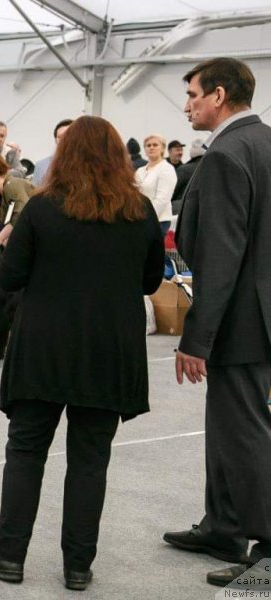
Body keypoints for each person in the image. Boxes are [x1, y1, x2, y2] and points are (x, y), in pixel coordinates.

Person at [0, 116, 165, 591]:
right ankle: (78, 566)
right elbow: (150, 282)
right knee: (90, 460)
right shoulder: (140, 211)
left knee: (25, 452)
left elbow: (10, 278)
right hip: (109, 351)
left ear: (66, 156)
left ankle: (9, 556)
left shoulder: (41, 209)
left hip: (44, 347)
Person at [164, 57, 271, 588]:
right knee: (231, 431)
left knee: (246, 434)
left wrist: (196, 339)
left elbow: (223, 256)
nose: (187, 105)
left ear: (219, 95)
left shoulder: (229, 154)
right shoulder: (265, 141)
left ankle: (267, 550)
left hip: (241, 320)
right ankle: (224, 526)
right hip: (261, 314)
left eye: (193, 94)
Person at [135, 134, 177, 234]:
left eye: (155, 145)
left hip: (159, 220)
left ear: (162, 148)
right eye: (148, 145)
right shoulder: (140, 170)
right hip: (139, 218)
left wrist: (147, 217)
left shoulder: (166, 169)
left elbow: (162, 199)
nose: (151, 147)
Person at [31, 119, 73, 187]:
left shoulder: (88, 164)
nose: (64, 140)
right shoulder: (42, 166)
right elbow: (34, 192)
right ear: (56, 140)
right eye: (60, 137)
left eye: (68, 136)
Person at [171, 139, 205, 214]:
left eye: (181, 150)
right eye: (177, 150)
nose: (180, 152)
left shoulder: (184, 169)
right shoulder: (212, 167)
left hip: (183, 207)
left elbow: (172, 191)